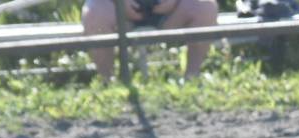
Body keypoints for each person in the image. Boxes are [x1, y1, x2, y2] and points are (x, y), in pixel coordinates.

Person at [81, 0, 219, 80]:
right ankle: (107, 83)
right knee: (94, 12)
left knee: (205, 6)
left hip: (170, 12)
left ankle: (191, 78)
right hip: (119, 12)